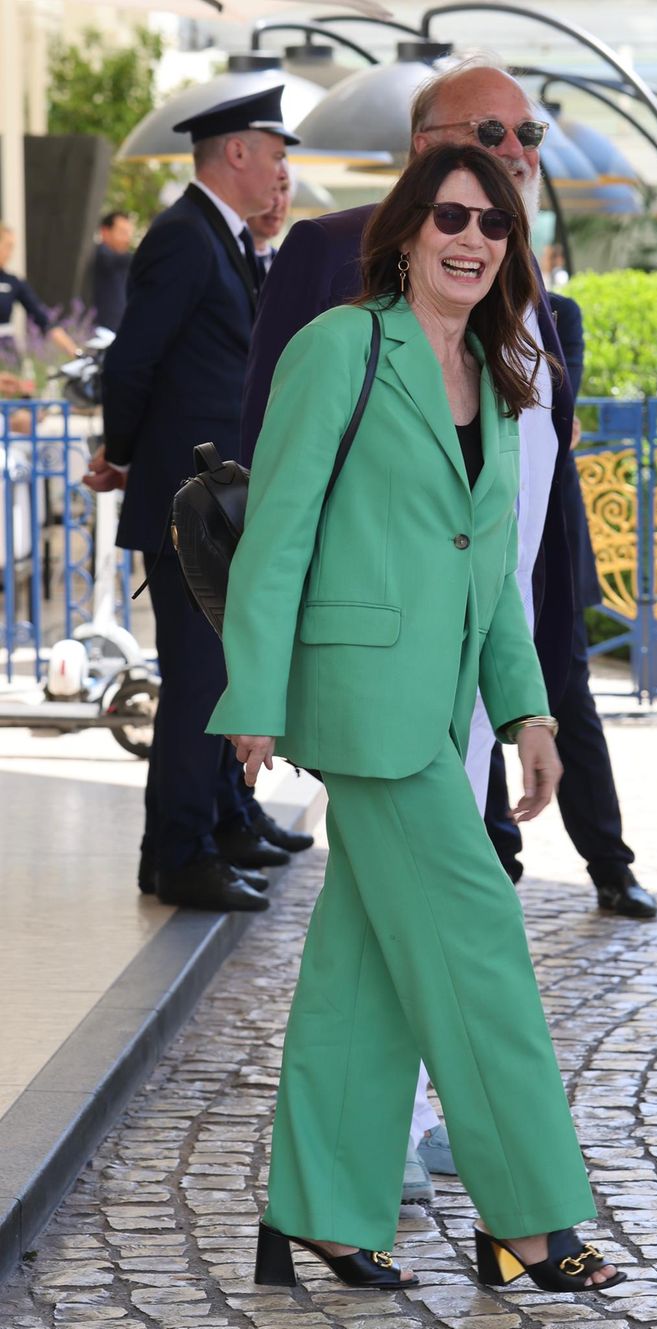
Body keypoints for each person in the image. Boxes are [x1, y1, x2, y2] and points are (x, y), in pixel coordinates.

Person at [210, 142, 626, 1294]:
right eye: (450, 217)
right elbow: (279, 528)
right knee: (480, 941)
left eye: (494, 227)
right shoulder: (341, 346)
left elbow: (489, 572)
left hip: (438, 711)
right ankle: (532, 1218)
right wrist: (251, 695)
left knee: (367, 973)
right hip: (358, 704)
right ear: (404, 231)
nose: (472, 241)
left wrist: (529, 711)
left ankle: (316, 1210)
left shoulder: (493, 369)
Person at [84, 87, 304, 912]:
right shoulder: (184, 237)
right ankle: (178, 853)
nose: (283, 170)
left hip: (212, 498)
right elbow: (131, 363)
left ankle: (215, 825)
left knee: (217, 675)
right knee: (198, 683)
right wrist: (128, 455)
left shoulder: (216, 235)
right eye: (275, 153)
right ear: (237, 152)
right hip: (190, 504)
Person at [483, 290, 654, 917]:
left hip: (549, 542)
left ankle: (610, 865)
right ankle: (497, 859)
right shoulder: (443, 305)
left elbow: (552, 412)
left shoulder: (561, 314)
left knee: (569, 700)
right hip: (467, 541)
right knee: (467, 704)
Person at [0, 223, 80, 362]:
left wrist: (75, 351)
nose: (10, 253)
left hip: (5, 354)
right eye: (8, 246)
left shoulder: (13, 282)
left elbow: (42, 317)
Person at [86, 211, 135, 332]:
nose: (127, 239)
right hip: (99, 330)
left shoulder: (122, 261)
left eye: (129, 233)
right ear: (105, 232)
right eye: (122, 232)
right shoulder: (103, 256)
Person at [248, 174, 291, 283]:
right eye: (268, 188)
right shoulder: (217, 260)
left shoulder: (289, 268)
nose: (278, 202)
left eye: (284, 188)